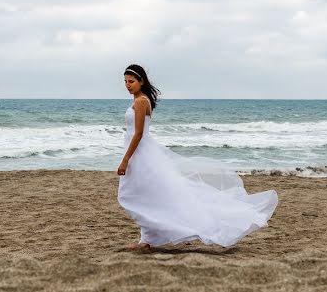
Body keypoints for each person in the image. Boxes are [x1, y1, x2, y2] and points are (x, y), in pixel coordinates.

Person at [116, 64, 279, 252]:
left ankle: (149, 238)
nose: (128, 85)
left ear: (141, 81)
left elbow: (138, 134)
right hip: (141, 153)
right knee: (145, 194)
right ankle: (147, 239)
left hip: (140, 154)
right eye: (125, 82)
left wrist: (126, 159)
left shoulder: (140, 101)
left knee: (132, 194)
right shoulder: (140, 100)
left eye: (132, 81)